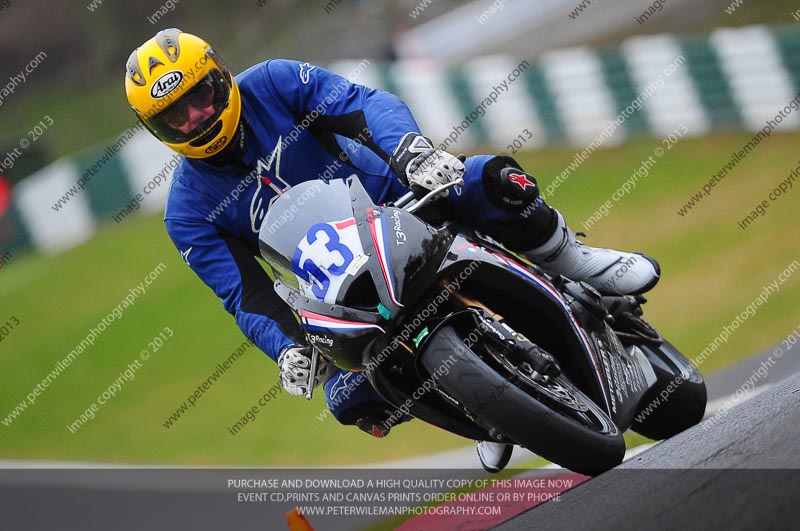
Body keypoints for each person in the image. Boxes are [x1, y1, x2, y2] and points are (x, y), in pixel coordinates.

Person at [125, 29, 660, 473]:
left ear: (221, 76)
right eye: (174, 115)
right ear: (157, 129)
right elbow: (246, 296)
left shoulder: (274, 80)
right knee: (345, 398)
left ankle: (574, 262)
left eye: (201, 97)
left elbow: (364, 105)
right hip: (335, 292)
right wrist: (286, 348)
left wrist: (410, 150)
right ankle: (478, 406)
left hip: (398, 204)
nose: (194, 118)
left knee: (496, 177)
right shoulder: (186, 212)